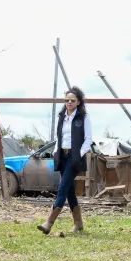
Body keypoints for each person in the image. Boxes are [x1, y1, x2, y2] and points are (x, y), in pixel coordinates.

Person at [37, 86, 93, 235]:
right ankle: (78, 224)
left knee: (62, 188)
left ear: (78, 102)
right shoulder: (62, 117)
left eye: (72, 100)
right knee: (69, 191)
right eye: (67, 100)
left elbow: (88, 140)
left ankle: (49, 223)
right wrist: (56, 151)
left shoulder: (83, 118)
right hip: (62, 156)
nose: (69, 102)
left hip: (75, 158)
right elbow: (59, 137)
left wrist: (79, 154)